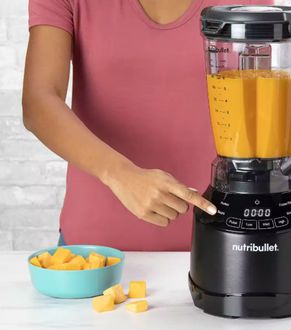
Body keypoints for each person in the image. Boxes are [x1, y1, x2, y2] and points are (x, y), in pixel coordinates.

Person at [23, 0, 274, 251]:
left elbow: (261, 113)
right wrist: (121, 174)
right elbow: (39, 100)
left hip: (226, 244)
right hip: (94, 254)